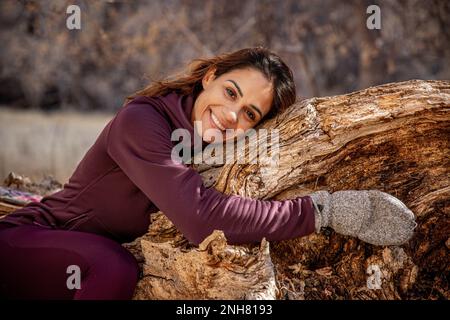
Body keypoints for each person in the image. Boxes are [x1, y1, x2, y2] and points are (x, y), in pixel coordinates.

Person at [0, 47, 416, 300]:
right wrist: (327, 212)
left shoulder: (222, 150)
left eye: (249, 113)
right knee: (116, 268)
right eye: (230, 92)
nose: (231, 113)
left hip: (70, 263)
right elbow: (202, 218)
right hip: (24, 247)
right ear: (210, 77)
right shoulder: (142, 121)